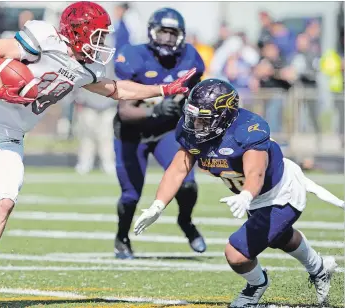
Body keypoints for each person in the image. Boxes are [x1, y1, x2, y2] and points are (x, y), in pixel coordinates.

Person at [0, 1, 197, 304]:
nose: (101, 43)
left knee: (4, 203)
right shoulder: (43, 38)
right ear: (77, 32)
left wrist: (164, 90)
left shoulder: (86, 67)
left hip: (10, 138)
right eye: (97, 35)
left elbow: (117, 89)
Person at [133, 79, 343, 307]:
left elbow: (256, 173)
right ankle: (320, 268)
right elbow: (178, 168)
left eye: (203, 119)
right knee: (280, 236)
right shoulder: (193, 130)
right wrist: (158, 205)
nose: (195, 124)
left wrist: (246, 195)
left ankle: (256, 285)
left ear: (224, 116)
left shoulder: (248, 130)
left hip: (280, 193)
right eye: (193, 117)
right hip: (254, 196)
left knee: (237, 253)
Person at [112, 8, 206, 259]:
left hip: (166, 131)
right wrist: (156, 109)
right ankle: (122, 238)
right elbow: (125, 112)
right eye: (162, 31)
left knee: (187, 184)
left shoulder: (190, 59)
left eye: (171, 32)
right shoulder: (133, 56)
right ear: (152, 32)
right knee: (131, 195)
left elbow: (195, 96)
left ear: (181, 36)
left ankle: (185, 222)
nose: (166, 38)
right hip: (132, 133)